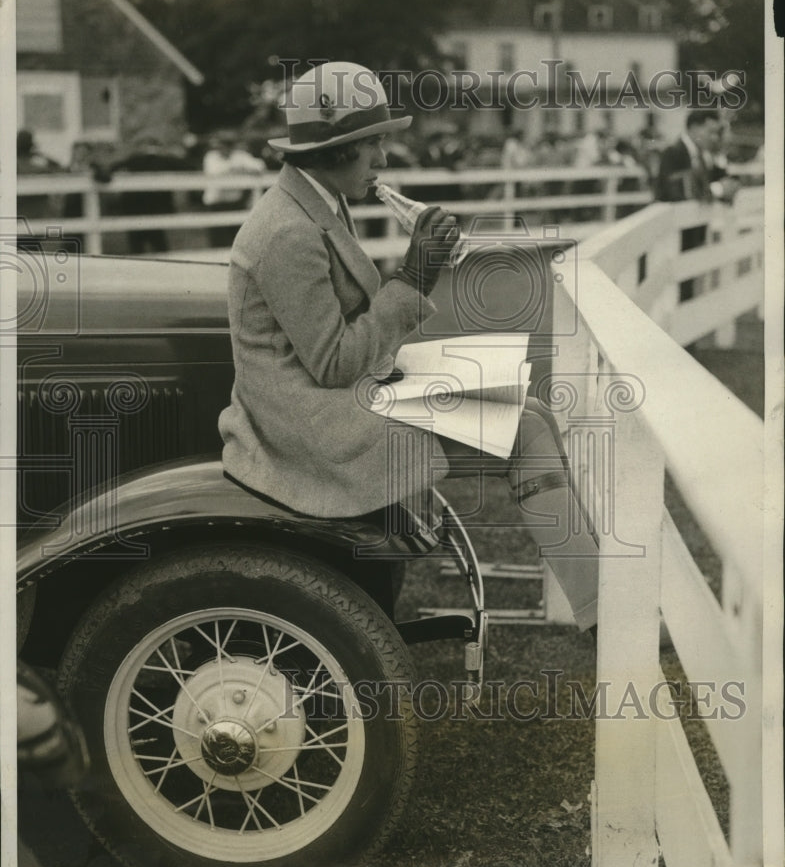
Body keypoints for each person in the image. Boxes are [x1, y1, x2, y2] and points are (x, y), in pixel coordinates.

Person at [218, 61, 598, 634]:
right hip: (309, 426)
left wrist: (413, 272)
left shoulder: (315, 204)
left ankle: (601, 603)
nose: (384, 160)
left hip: (339, 399)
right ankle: (608, 618)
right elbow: (334, 365)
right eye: (373, 145)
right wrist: (416, 275)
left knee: (534, 411)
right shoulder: (287, 232)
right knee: (527, 428)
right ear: (337, 149)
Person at [656, 109, 738, 204]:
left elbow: (723, 182)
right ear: (694, 128)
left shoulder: (704, 155)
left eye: (717, 133)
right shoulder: (673, 152)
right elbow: (679, 191)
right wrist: (718, 189)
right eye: (711, 132)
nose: (714, 138)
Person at [202, 131, 266, 246]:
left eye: (228, 144)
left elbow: (260, 166)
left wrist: (243, 167)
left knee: (238, 242)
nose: (223, 148)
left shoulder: (239, 156)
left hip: (235, 203)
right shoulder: (211, 157)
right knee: (218, 242)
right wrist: (236, 167)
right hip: (216, 204)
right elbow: (214, 172)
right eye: (221, 144)